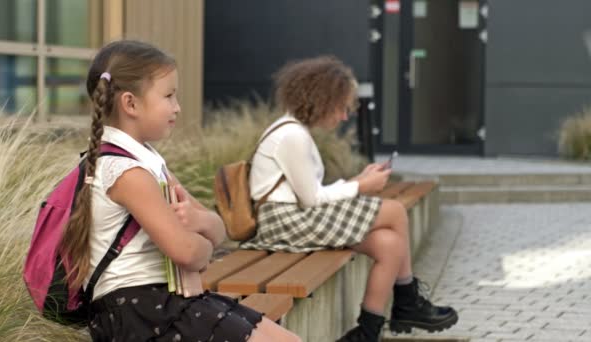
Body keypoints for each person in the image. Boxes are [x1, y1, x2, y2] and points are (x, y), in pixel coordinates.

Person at [61, 40, 301, 342]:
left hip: (167, 302)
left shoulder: (147, 161)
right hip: (141, 313)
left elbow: (217, 226)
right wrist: (205, 246)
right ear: (130, 104)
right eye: (169, 96)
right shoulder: (127, 173)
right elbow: (187, 253)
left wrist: (200, 225)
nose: (177, 107)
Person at [241, 56, 458, 341]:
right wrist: (360, 186)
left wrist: (358, 182)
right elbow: (312, 199)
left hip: (295, 219)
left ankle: (368, 330)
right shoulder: (292, 135)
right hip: (286, 222)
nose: (345, 116)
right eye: (342, 107)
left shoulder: (293, 130)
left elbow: (310, 196)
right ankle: (407, 303)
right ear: (322, 100)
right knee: (393, 211)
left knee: (389, 244)